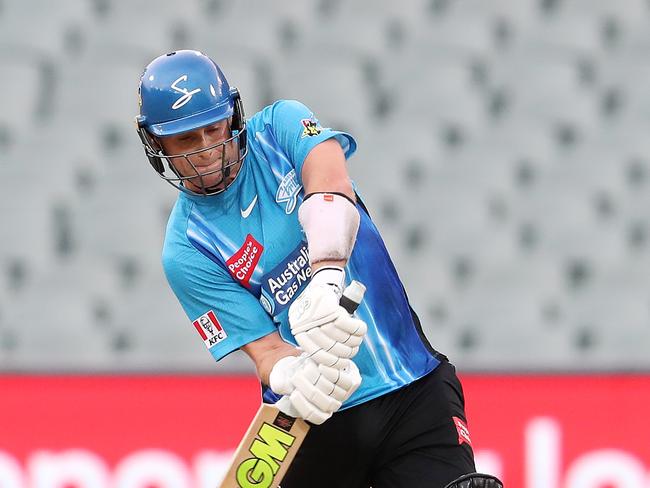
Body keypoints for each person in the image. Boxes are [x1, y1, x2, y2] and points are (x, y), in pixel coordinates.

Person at [135, 49, 503, 488]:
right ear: (157, 144)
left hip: (410, 387)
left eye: (213, 129)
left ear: (232, 116)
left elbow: (331, 183)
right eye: (185, 141)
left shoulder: (280, 127)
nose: (207, 152)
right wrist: (295, 374)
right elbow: (266, 352)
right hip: (311, 420)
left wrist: (327, 279)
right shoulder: (186, 250)